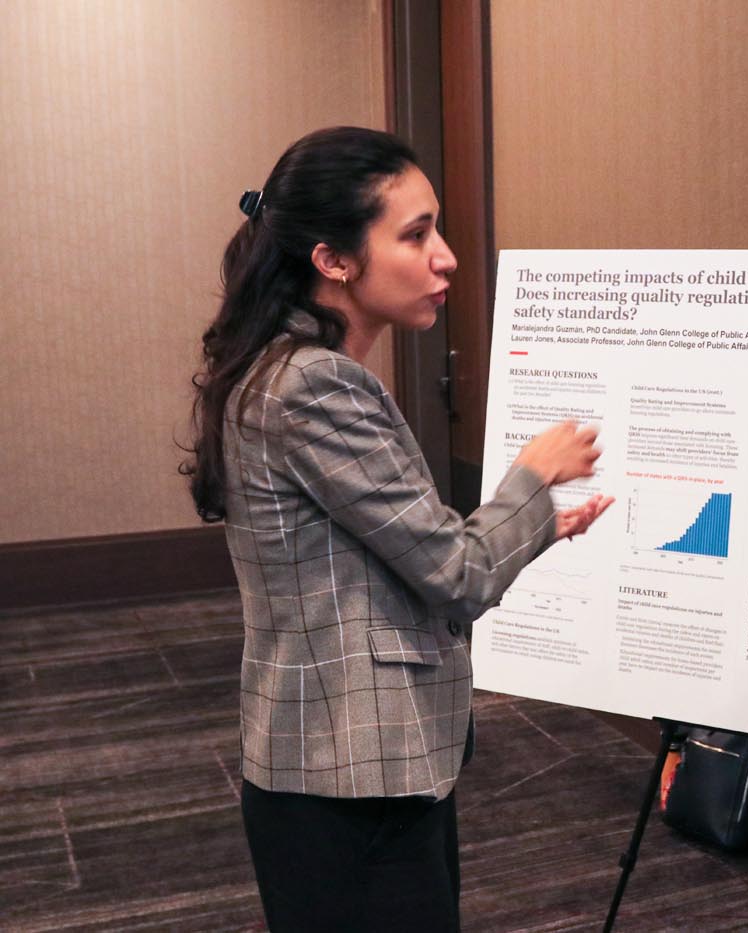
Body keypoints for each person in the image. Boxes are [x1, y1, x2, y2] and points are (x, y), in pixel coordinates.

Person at [182, 126, 612, 932]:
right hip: (350, 779)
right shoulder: (316, 387)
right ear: (333, 259)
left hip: (334, 765)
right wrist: (535, 471)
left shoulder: (285, 369)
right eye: (415, 235)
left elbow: (395, 553)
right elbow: (457, 573)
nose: (444, 256)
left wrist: (539, 523)